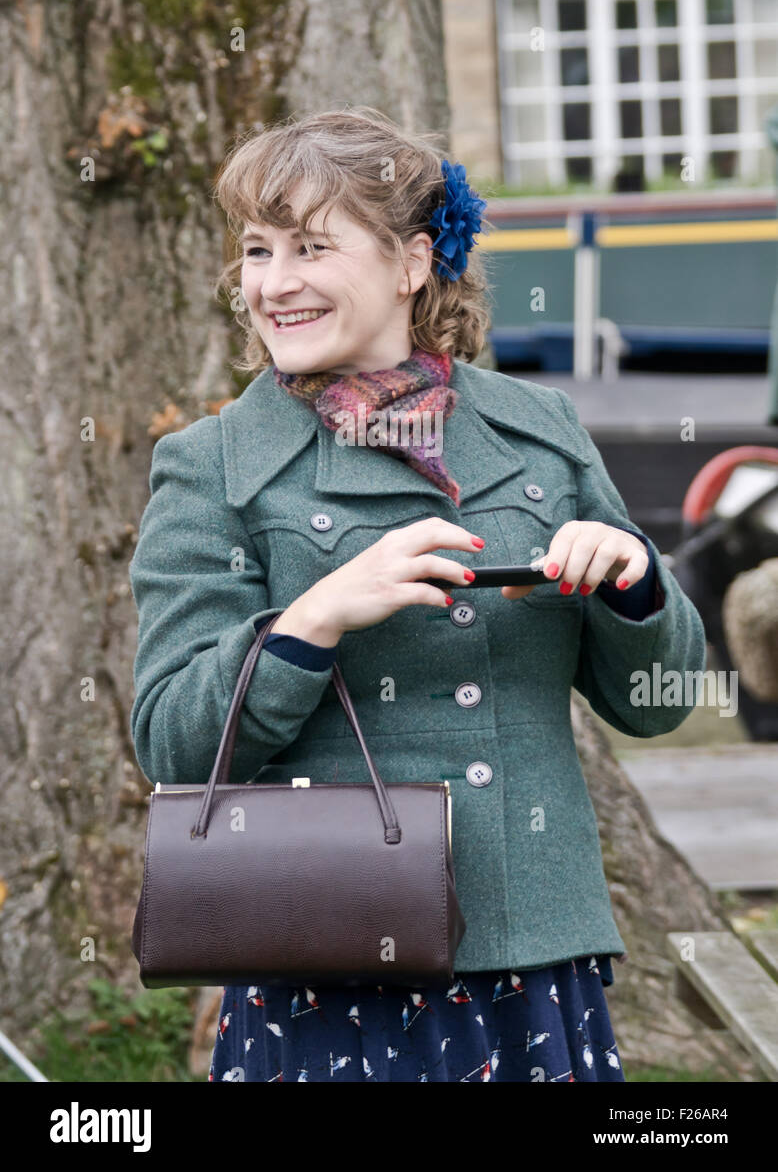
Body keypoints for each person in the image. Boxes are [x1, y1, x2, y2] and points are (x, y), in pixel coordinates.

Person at [129, 106, 707, 1083]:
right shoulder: (213, 463)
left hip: (531, 949)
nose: (273, 282)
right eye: (257, 250)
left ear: (409, 263)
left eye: (311, 247)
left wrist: (635, 581)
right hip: (325, 951)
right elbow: (174, 739)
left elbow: (658, 705)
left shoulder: (539, 428)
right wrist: (311, 620)